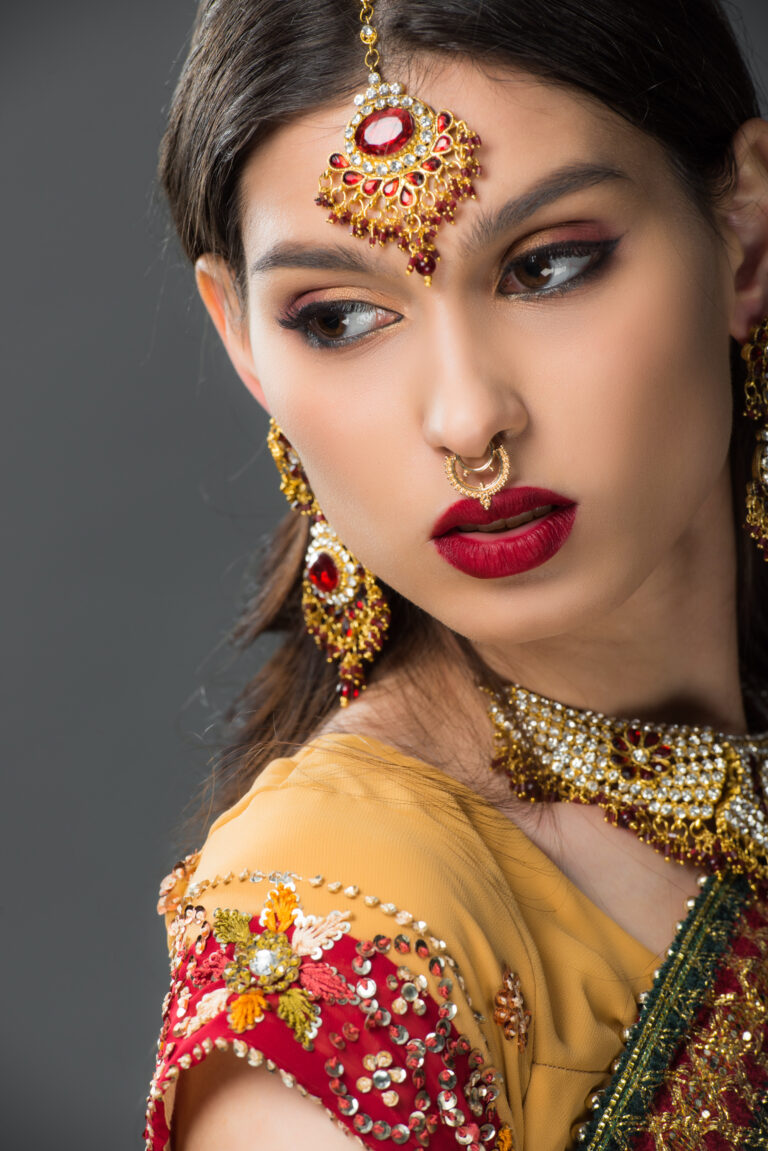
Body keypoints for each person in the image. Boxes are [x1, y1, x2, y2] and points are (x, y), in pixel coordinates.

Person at [144, 1, 768, 1148]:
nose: (469, 417)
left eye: (548, 265)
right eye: (338, 317)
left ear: (746, 231)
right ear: (241, 341)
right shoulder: (341, 940)